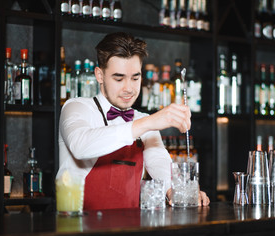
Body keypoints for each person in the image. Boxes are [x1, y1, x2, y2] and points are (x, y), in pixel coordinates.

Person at [57, 32, 210, 210]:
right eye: (119, 78)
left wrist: (180, 190)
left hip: (128, 229)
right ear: (99, 75)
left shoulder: (143, 120)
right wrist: (148, 123)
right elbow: (80, 145)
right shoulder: (76, 107)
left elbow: (159, 163)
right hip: (77, 229)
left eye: (135, 78)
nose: (128, 88)